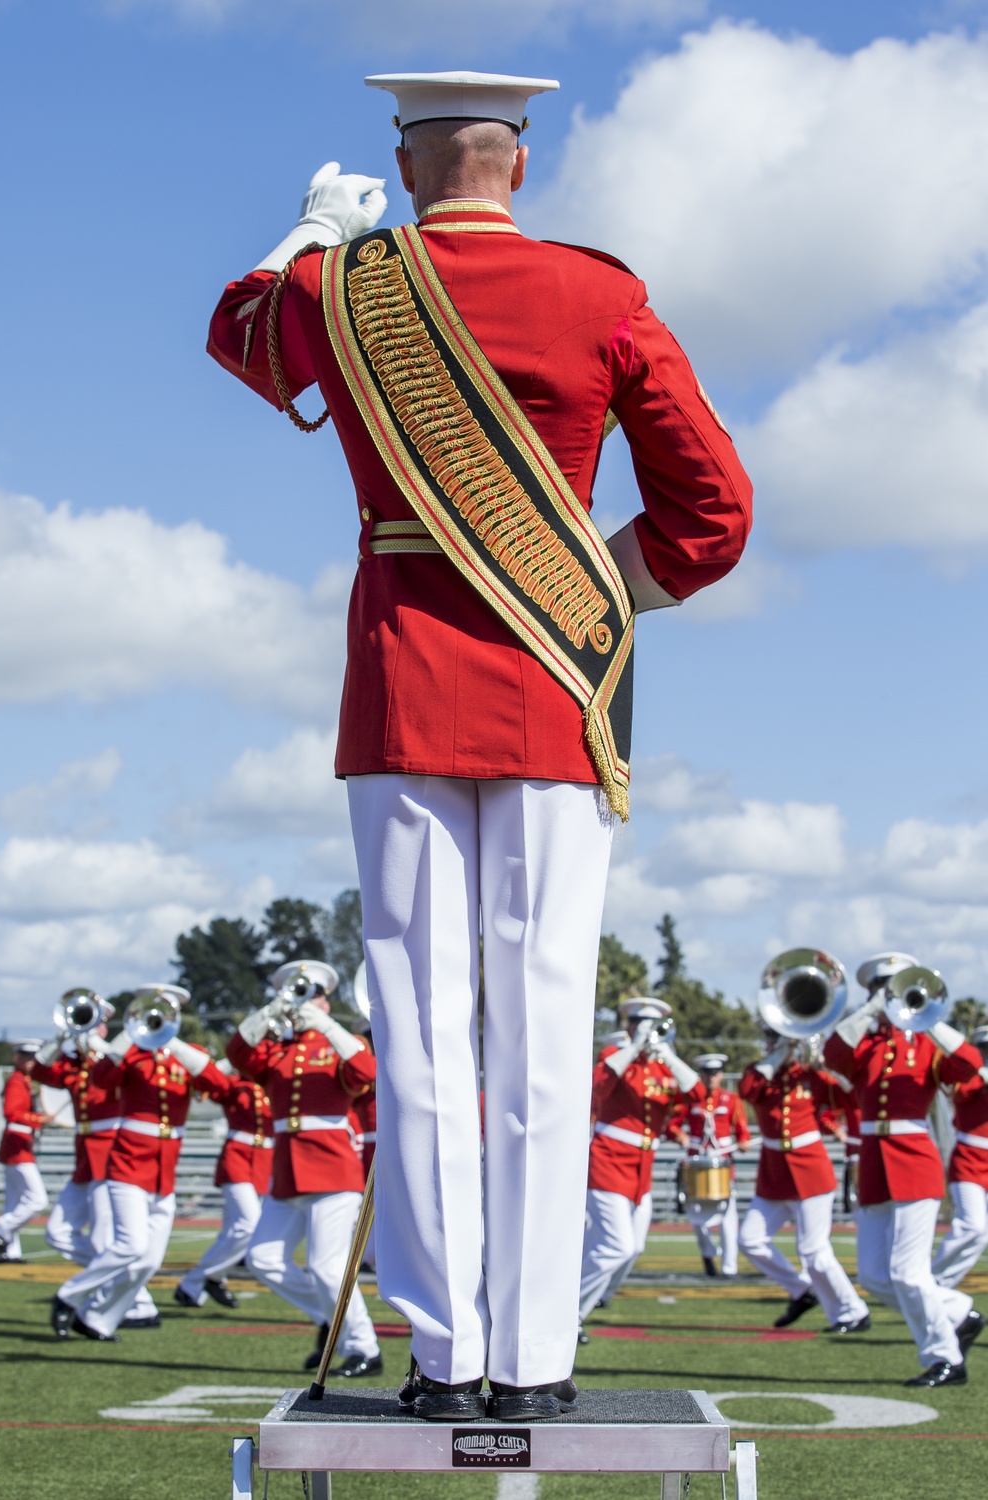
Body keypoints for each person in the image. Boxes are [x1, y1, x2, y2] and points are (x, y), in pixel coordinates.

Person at [208, 68, 752, 1421]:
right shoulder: (602, 296)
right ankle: (538, 1357)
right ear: (519, 161)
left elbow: (235, 333)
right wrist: (582, 586)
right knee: (547, 1024)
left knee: (420, 1029)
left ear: (407, 165)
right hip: (557, 696)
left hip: (402, 689)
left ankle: (444, 1355)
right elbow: (715, 513)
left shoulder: (349, 286)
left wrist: (306, 241)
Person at [825, 954, 985, 1385]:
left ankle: (944, 1358)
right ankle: (958, 1314)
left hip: (915, 1160)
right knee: (875, 1276)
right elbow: (833, 1053)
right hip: (876, 1162)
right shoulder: (866, 1044)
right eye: (880, 988)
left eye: (894, 987)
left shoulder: (928, 1043)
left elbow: (969, 1062)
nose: (888, 995)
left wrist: (926, 1016)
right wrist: (871, 1010)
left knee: (908, 1274)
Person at [226, 961, 383, 1378]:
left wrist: (327, 1025)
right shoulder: (276, 1049)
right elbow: (236, 1053)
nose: (303, 1000)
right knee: (262, 1257)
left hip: (332, 1172)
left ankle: (365, 1346)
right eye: (297, 992)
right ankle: (332, 1321)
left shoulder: (337, 1045)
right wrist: (269, 1013)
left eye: (312, 993)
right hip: (288, 1173)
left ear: (325, 999)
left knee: (326, 1267)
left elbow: (367, 1071)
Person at [50, 986, 230, 1341]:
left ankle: (98, 1320)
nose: (159, 1017)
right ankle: (68, 1297)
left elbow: (220, 1086)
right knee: (130, 1246)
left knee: (147, 1262)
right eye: (154, 1011)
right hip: (129, 1163)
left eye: (168, 1010)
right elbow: (100, 1080)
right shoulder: (131, 1053)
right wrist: (125, 1040)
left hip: (164, 1171)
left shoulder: (186, 1055)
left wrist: (174, 1044)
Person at [30, 1011, 162, 1330]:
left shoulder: (115, 1055)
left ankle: (139, 1305)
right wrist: (64, 1036)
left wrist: (96, 1039)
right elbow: (39, 1069)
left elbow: (115, 1062)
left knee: (107, 1238)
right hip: (86, 1154)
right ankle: (127, 1291)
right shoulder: (74, 1064)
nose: (90, 1028)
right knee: (57, 1232)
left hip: (110, 1151)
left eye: (96, 1021)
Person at [579, 1000, 699, 1336]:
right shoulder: (616, 1058)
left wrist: (669, 1054)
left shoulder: (663, 1067)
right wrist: (632, 1046)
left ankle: (582, 1306)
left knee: (633, 1247)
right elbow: (597, 1086)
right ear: (630, 1026)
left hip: (640, 1171)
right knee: (618, 1246)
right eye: (641, 1024)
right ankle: (568, 1313)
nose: (648, 1032)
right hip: (609, 1162)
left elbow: (699, 1095)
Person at [738, 1029, 870, 1333]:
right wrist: (778, 1054)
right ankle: (802, 1290)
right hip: (774, 1176)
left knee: (814, 1251)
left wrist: (830, 1061)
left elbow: (850, 1095)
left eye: (781, 1038)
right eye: (772, 1038)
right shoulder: (759, 1073)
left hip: (811, 1174)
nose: (775, 1043)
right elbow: (746, 1090)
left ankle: (853, 1311)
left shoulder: (812, 1077)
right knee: (750, 1240)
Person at [174, 1059, 274, 1309]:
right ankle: (212, 1278)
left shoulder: (273, 1083)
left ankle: (190, 1287)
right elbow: (207, 1081)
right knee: (249, 1226)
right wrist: (231, 1061)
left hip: (264, 1163)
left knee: (232, 1232)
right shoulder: (233, 1083)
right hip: (237, 1159)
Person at [670, 1052, 750, 1277]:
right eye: (706, 1073)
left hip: (723, 1164)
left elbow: (742, 1131)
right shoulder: (690, 1097)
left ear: (722, 1075)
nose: (711, 1077)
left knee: (728, 1215)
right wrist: (681, 1137)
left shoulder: (731, 1099)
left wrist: (743, 1143)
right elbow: (672, 1126)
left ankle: (729, 1266)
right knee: (697, 1218)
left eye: (715, 1073)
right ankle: (708, 1254)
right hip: (696, 1163)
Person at [932, 1024, 988, 1289]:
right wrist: (981, 1076)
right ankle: (931, 1281)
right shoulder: (967, 1076)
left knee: (982, 1235)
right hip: (969, 1160)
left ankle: (941, 1283)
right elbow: (959, 1093)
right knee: (972, 1226)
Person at [0, 1041, 50, 1263]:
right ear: (17, 1058)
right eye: (27, 1056)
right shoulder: (16, 1081)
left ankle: (10, 1252)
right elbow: (12, 1113)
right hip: (17, 1148)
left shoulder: (24, 1081)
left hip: (18, 1145)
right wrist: (39, 1119)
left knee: (14, 1203)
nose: (31, 1061)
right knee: (38, 1200)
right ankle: (0, 1228)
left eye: (33, 1057)